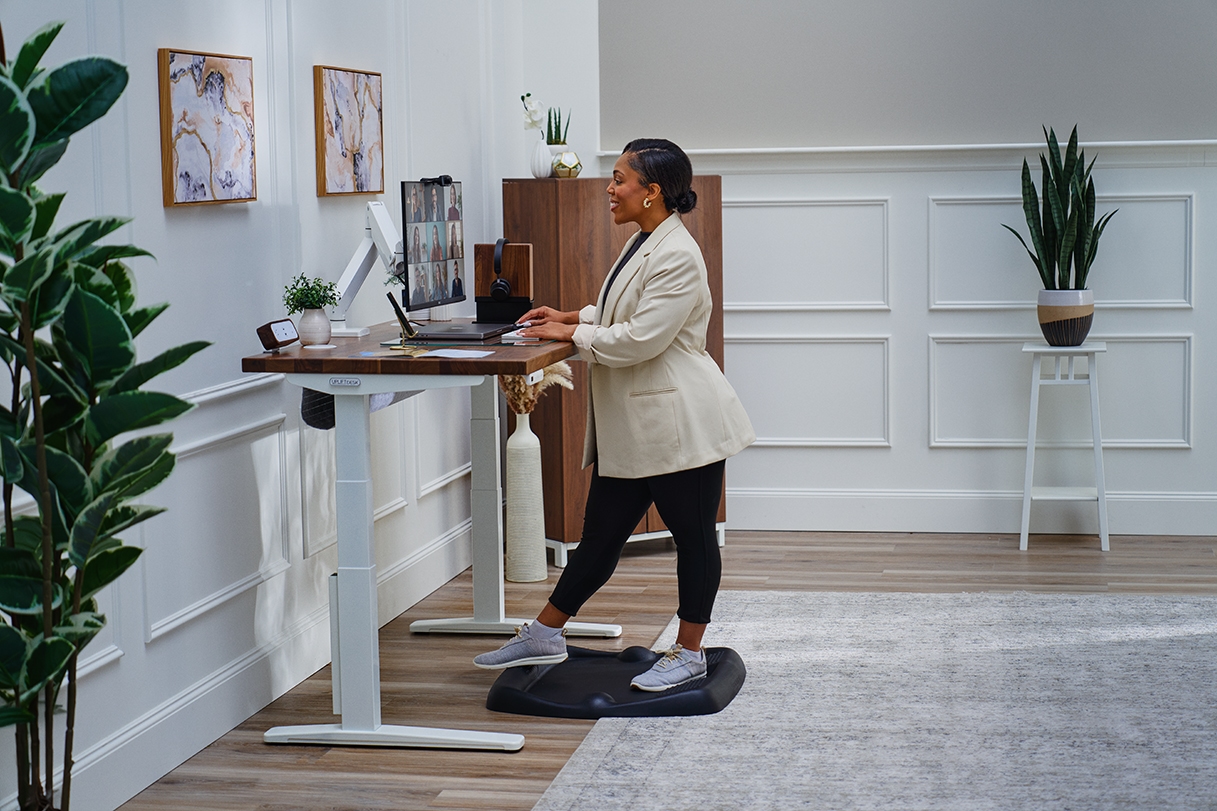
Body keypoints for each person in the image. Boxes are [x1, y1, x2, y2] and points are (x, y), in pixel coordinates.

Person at [473, 138, 755, 691]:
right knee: (600, 536)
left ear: (652, 192)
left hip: (681, 426)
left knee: (693, 538)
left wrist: (571, 333)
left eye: (620, 178)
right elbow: (624, 307)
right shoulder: (648, 239)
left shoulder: (676, 252)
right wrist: (572, 313)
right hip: (640, 427)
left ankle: (690, 653)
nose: (609, 187)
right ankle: (546, 633)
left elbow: (641, 338)